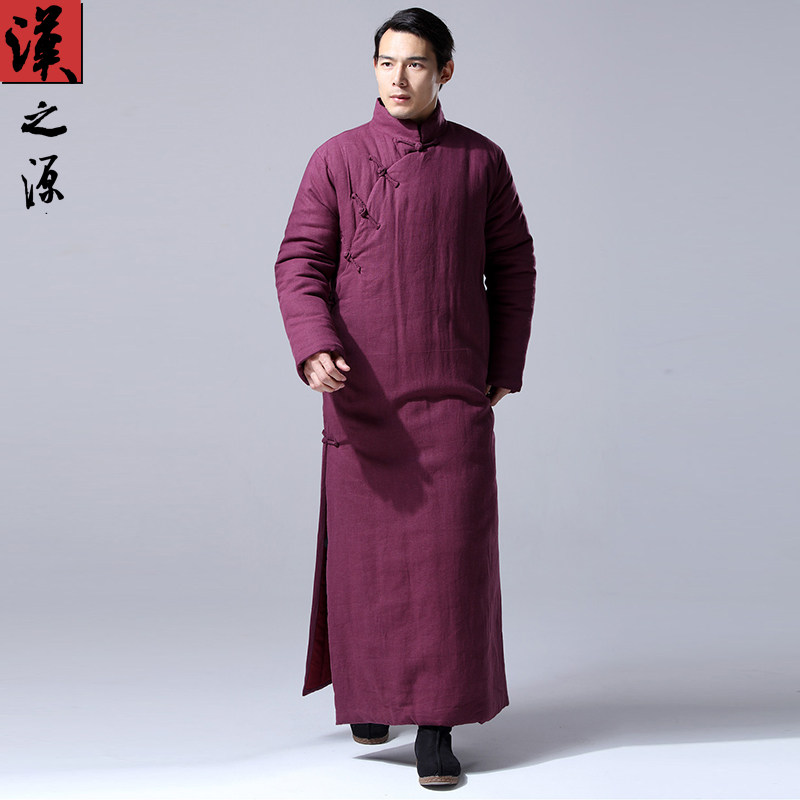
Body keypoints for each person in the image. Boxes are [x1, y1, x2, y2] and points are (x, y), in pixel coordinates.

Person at [274, 7, 536, 788]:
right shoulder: (336, 158)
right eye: (387, 62)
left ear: (444, 72)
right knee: (369, 565)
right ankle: (371, 696)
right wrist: (314, 346)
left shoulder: (480, 161)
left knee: (450, 563)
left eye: (416, 63)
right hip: (364, 392)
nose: (398, 77)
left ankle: (437, 726)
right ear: (373, 68)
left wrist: (504, 361)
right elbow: (299, 262)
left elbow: (514, 265)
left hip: (451, 390)